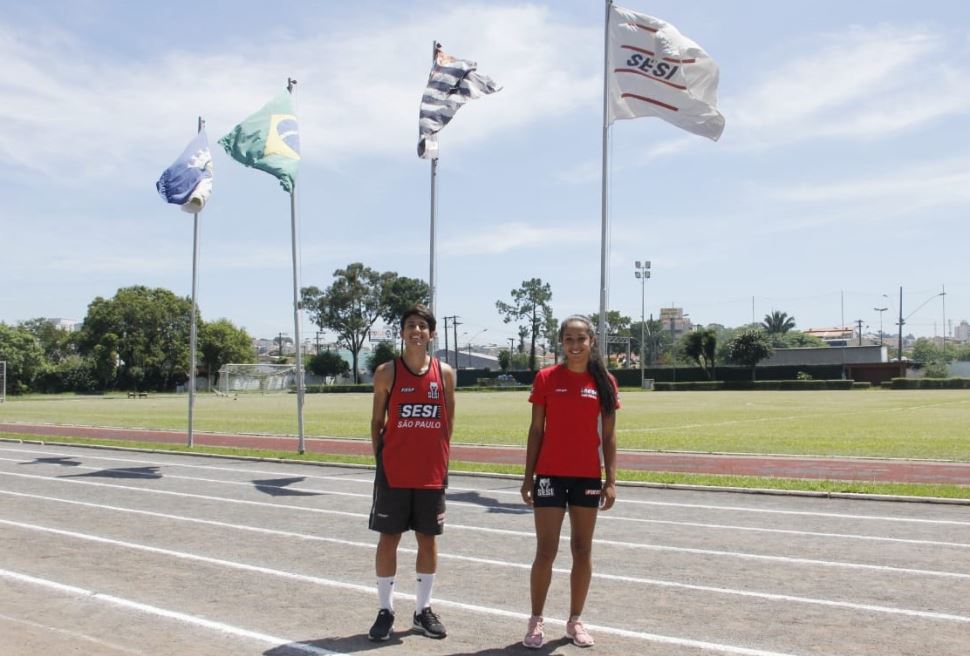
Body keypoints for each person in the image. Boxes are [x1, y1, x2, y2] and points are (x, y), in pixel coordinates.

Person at [520, 315, 619, 649]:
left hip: (587, 476)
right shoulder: (546, 378)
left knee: (582, 549)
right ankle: (535, 621)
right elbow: (536, 430)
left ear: (592, 341)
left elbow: (609, 436)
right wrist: (528, 477)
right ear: (561, 342)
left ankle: (575, 620)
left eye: (581, 339)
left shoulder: (604, 381)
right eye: (568, 340)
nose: (575, 346)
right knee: (546, 550)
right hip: (549, 474)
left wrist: (611, 480)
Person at [367, 305, 456, 642]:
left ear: (432, 334)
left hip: (431, 472)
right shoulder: (387, 372)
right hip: (394, 472)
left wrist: (437, 456)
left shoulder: (445, 373)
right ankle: (385, 610)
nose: (416, 331)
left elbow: (448, 422)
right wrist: (384, 459)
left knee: (427, 540)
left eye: (422, 326)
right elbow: (377, 423)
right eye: (410, 326)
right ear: (402, 333)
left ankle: (422, 610)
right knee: (388, 538)